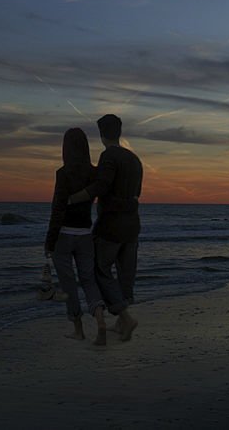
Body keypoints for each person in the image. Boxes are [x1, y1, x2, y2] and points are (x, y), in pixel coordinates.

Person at [69, 114, 141, 341]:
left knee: (100, 270)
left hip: (112, 224)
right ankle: (122, 322)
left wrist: (74, 198)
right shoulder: (134, 159)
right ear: (118, 132)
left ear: (102, 135)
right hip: (133, 224)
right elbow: (136, 192)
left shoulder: (109, 155)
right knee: (125, 272)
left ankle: (125, 317)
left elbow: (102, 185)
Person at [44, 128, 108, 344]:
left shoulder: (63, 174)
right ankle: (100, 321)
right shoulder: (94, 173)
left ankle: (79, 329)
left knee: (69, 284)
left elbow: (58, 209)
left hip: (63, 234)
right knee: (89, 280)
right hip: (85, 234)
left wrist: (49, 242)